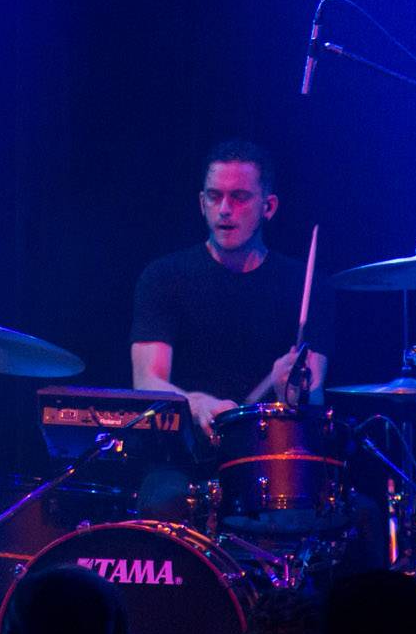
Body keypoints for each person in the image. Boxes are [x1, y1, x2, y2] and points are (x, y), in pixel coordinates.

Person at [132, 141, 332, 441]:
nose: (225, 210)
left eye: (239, 198)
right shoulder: (164, 277)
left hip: (268, 451)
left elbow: (313, 400)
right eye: (215, 197)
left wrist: (290, 390)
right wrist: (198, 404)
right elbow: (147, 381)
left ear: (269, 206)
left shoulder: (304, 283)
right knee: (165, 490)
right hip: (182, 454)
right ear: (202, 203)